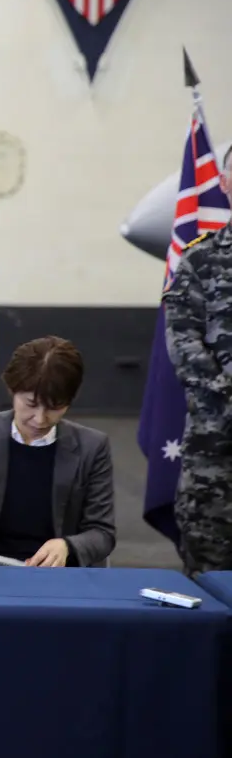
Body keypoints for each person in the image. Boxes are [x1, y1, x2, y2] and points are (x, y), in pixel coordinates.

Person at [0, 337, 116, 567]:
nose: (40, 419)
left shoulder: (92, 447)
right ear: (12, 390)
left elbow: (102, 532)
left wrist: (68, 546)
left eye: (55, 407)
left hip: (60, 574)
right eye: (31, 404)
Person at [162, 147, 232, 576]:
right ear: (224, 184)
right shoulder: (201, 259)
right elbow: (183, 344)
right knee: (210, 576)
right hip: (216, 455)